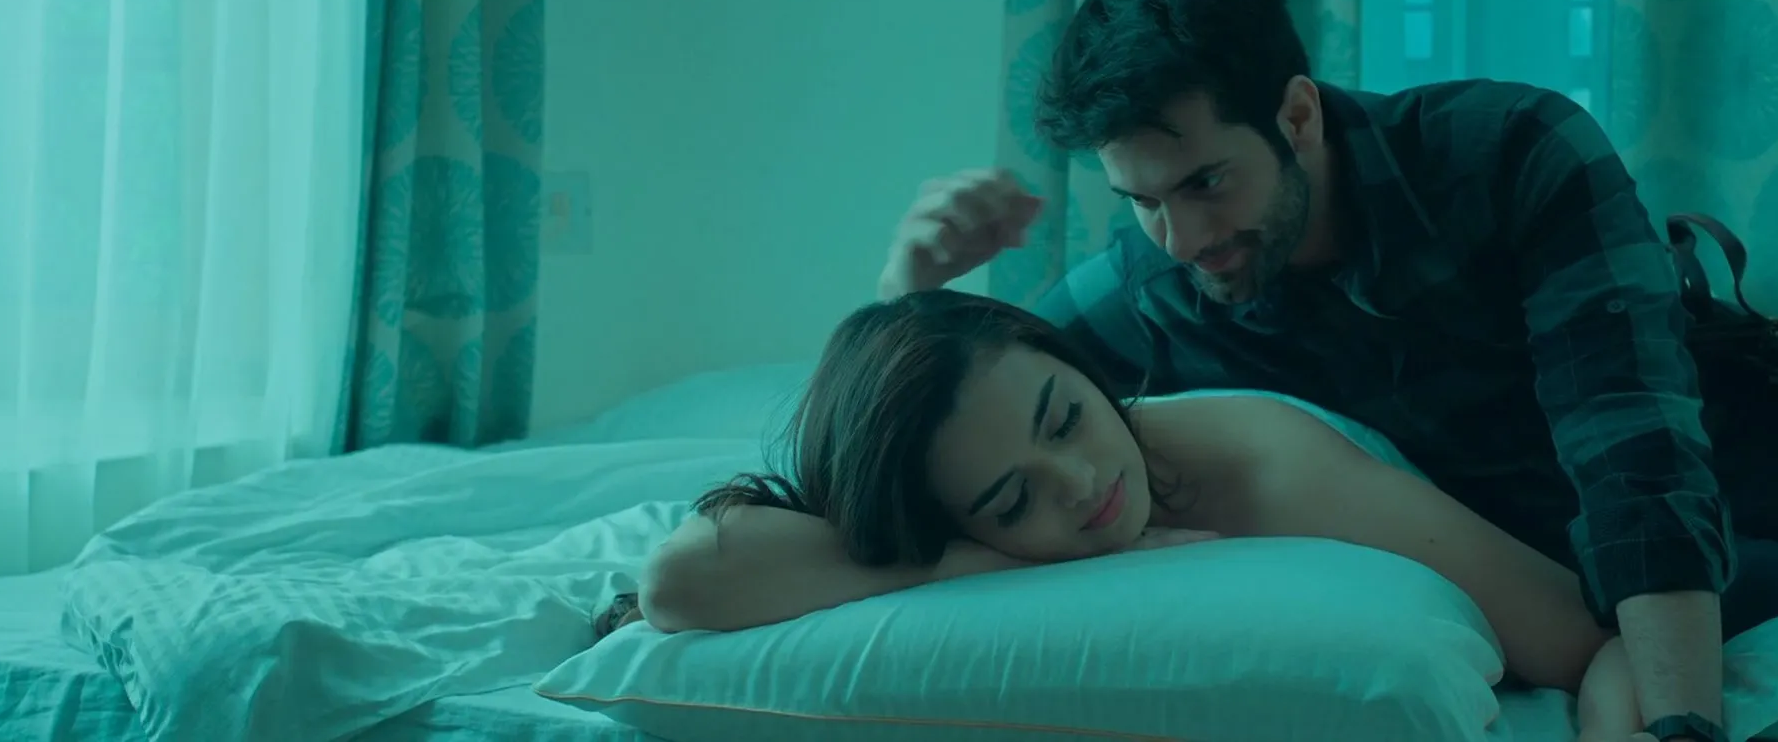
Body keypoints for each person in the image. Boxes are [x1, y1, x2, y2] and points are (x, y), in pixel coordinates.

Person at [870, 0, 1778, 742]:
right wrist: (904, 293)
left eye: (1206, 183)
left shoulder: (1510, 151)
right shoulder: (1153, 289)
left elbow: (1637, 450)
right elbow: (949, 416)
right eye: (1142, 202)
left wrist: (1680, 725)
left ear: (1297, 115)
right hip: (1540, 594)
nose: (1183, 239)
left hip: (1742, 500)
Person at [630, 289, 1671, 742]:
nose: (1080, 481)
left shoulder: (1276, 471)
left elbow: (1594, 640)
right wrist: (967, 565)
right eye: (1012, 499)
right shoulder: (954, 507)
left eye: (1066, 417)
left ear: (1077, 365)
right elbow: (680, 580)